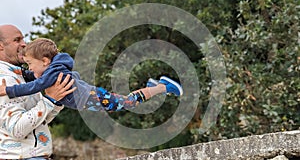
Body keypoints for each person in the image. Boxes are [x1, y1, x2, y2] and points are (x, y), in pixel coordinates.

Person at [0, 38, 183, 112]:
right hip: (92, 96)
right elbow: (33, 77)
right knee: (126, 103)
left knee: (127, 103)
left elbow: (33, 85)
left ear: (45, 61)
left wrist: (7, 90)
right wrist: (17, 70)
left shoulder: (52, 73)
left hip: (94, 97)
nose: (29, 69)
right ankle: (154, 87)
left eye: (30, 64)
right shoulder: (51, 70)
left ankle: (161, 87)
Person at [0, 24, 76, 159]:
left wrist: (56, 100)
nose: (24, 44)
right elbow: (17, 130)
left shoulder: (23, 76)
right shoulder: (4, 79)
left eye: (23, 39)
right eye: (17, 40)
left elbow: (41, 121)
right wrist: (49, 100)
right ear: (0, 46)